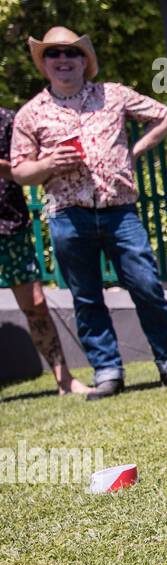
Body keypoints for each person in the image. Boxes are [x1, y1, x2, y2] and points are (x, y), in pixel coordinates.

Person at [9, 27, 167, 400]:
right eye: (54, 54)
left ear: (84, 61)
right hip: (67, 215)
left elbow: (165, 117)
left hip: (120, 212)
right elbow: (20, 170)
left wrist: (133, 153)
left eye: (71, 53)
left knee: (147, 287)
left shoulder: (113, 95)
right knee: (86, 298)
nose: (63, 60)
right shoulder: (31, 114)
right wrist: (48, 163)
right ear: (44, 63)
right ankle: (107, 371)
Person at [0, 105, 89, 395]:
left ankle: (64, 381)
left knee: (36, 304)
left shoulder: (8, 120)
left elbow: (27, 170)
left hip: (9, 224)